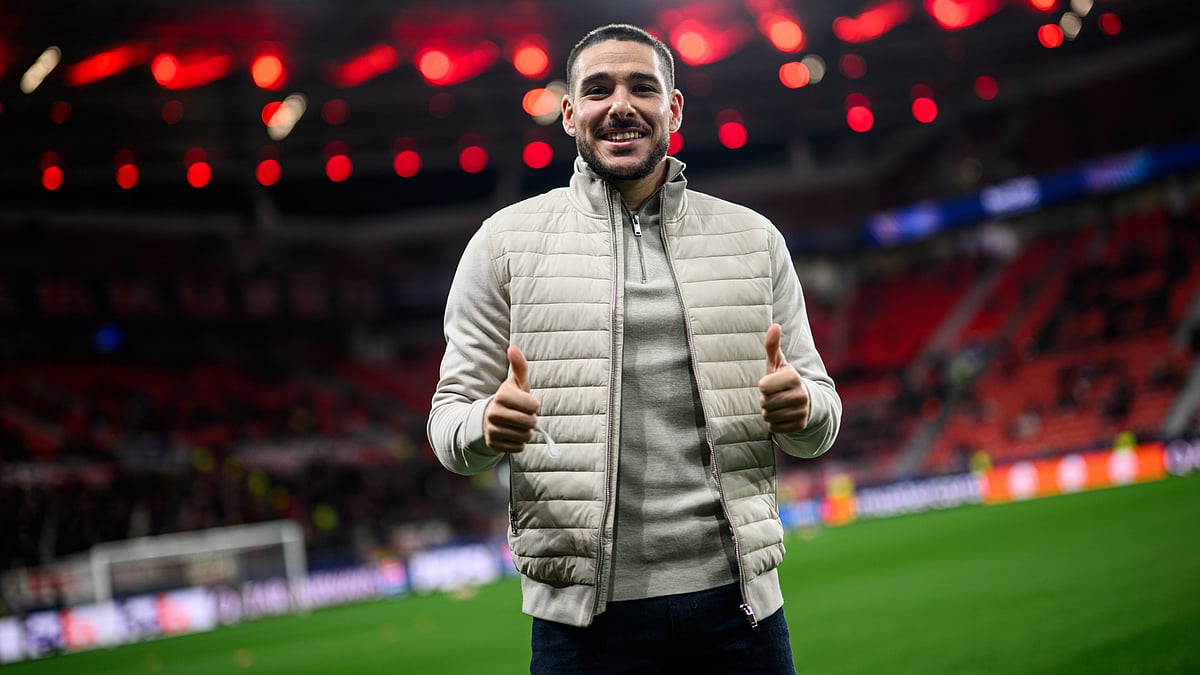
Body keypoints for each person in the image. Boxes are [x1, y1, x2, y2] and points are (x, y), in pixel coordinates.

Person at [428, 23, 841, 674]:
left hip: (741, 612)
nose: (620, 104)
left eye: (642, 87)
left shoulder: (753, 239)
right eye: (598, 89)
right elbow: (448, 422)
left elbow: (822, 415)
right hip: (581, 629)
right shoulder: (502, 244)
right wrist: (484, 424)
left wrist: (804, 411)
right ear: (569, 114)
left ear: (673, 108)